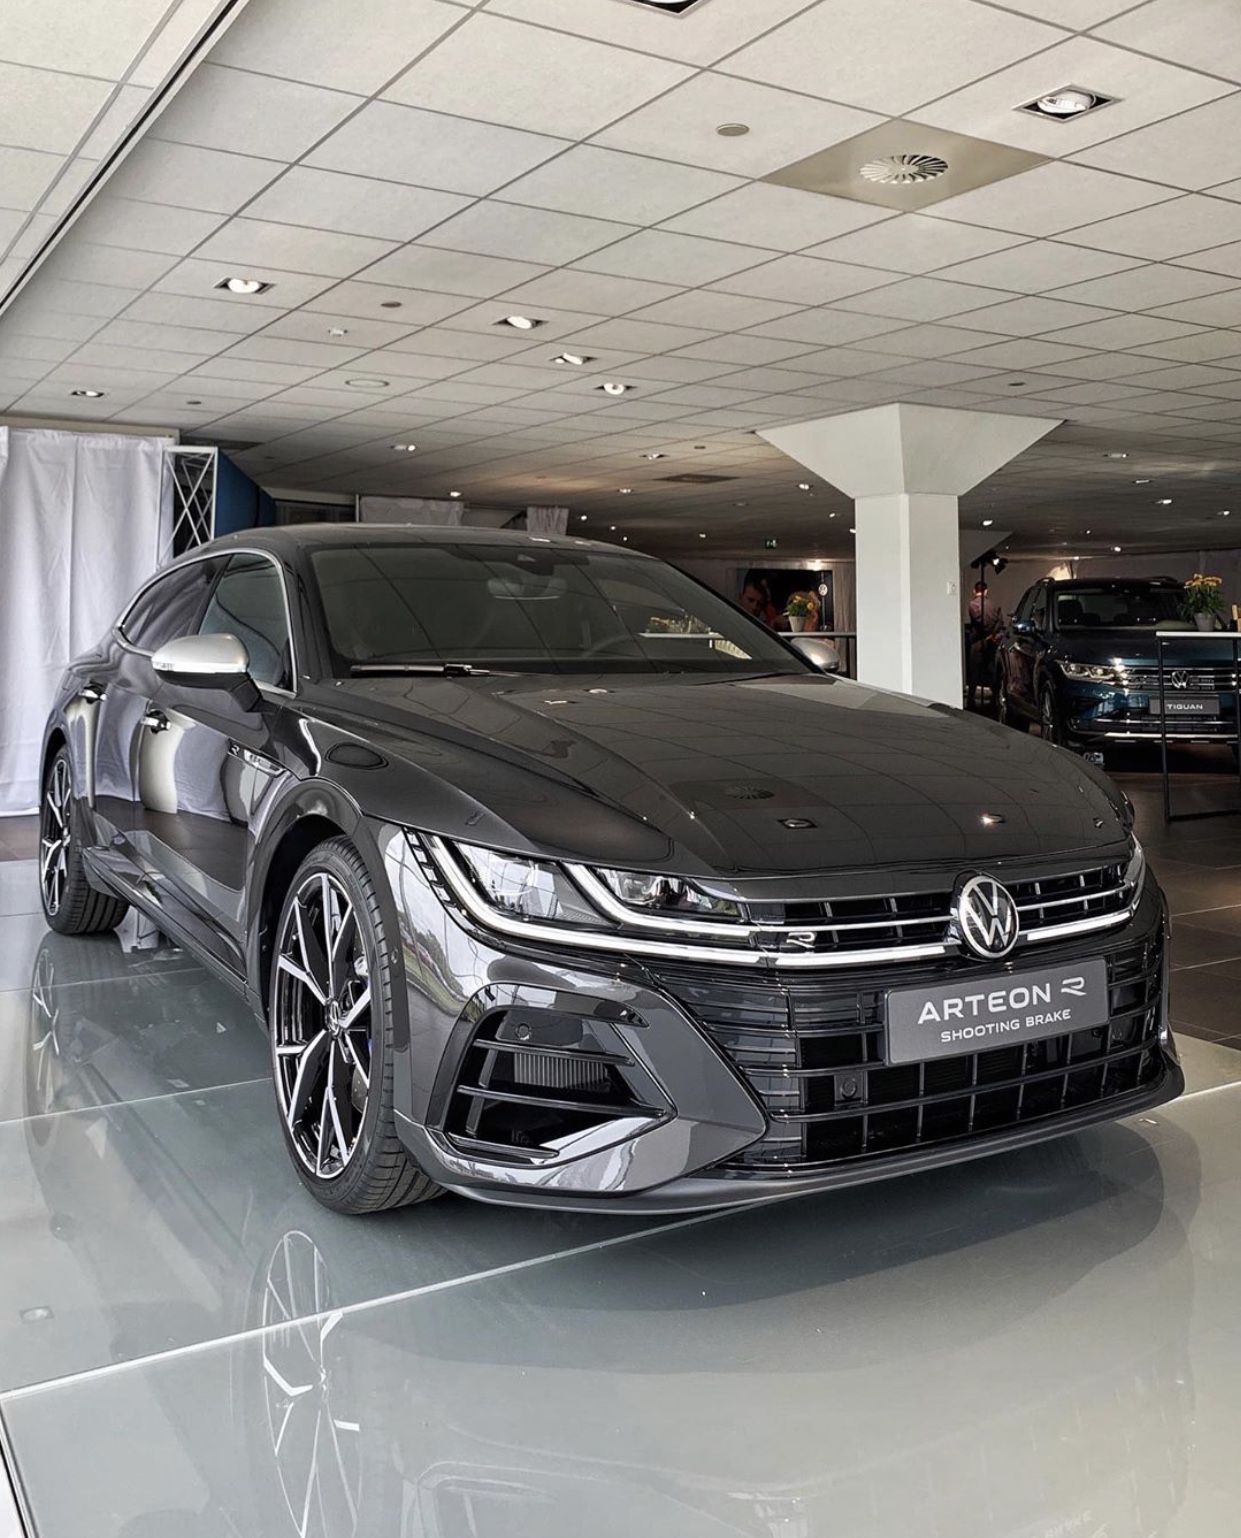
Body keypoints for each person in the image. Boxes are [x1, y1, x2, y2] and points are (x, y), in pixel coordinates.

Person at [966, 580, 1004, 710]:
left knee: (974, 671)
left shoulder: (972, 605)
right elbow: (1000, 623)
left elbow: (978, 622)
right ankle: (996, 699)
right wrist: (992, 634)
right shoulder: (995, 605)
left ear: (974, 591)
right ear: (986, 591)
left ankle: (971, 700)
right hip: (992, 641)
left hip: (977, 641)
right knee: (992, 670)